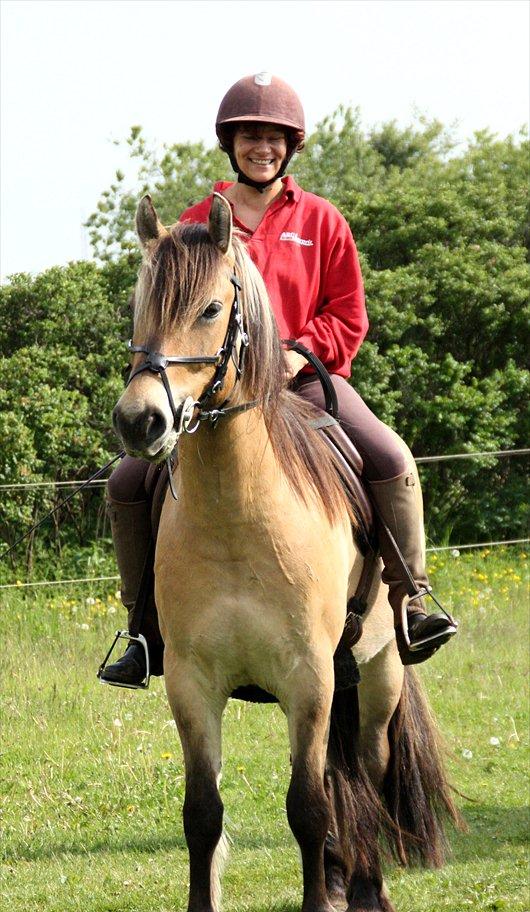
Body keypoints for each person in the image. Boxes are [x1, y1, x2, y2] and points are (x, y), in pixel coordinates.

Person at [99, 72, 456, 689]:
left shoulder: (321, 220)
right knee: (129, 479)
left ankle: (413, 599)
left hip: (304, 382)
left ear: (290, 146)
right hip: (213, 393)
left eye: (272, 137)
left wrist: (300, 354)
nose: (259, 147)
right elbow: (171, 315)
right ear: (229, 143)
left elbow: (349, 315)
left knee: (389, 453)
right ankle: (141, 629)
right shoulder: (194, 222)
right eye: (247, 137)